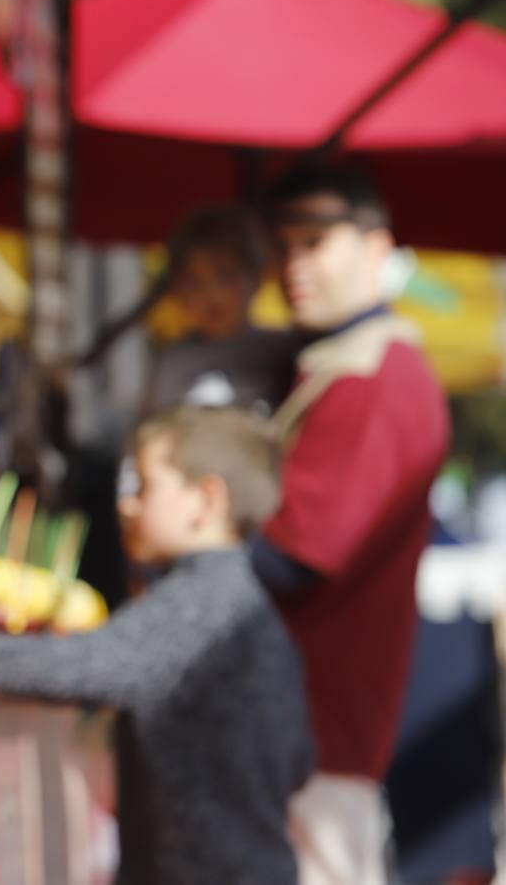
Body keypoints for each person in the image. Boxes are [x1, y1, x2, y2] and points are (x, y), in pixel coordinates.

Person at [0, 406, 313, 885]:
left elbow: (78, 666)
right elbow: (299, 760)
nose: (126, 505)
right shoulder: (252, 607)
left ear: (206, 501)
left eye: (144, 486)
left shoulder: (199, 604)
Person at [250, 166, 449, 884]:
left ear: (377, 248)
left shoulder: (373, 373)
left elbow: (293, 558)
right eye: (284, 244)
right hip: (309, 735)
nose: (293, 265)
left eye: (314, 242)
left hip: (316, 737)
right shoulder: (343, 361)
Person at [144, 204, 300, 416]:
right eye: (194, 283)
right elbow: (152, 433)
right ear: (177, 290)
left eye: (226, 276)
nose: (212, 295)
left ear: (255, 277)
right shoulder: (174, 363)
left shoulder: (283, 352)